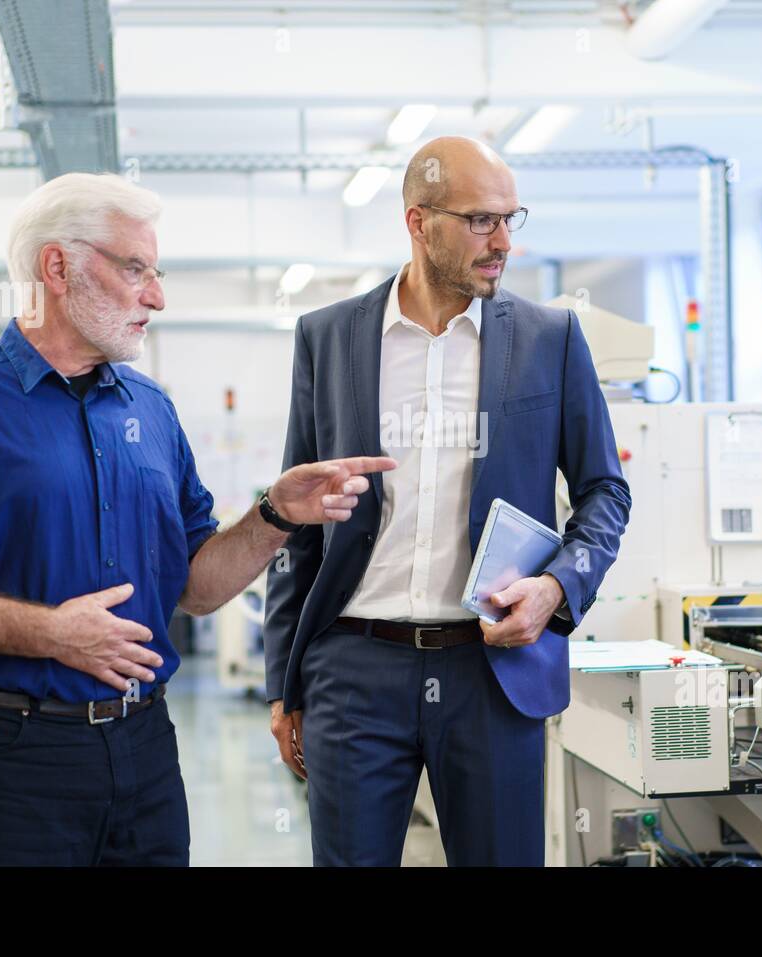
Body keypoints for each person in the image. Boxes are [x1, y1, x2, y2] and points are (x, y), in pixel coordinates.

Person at [0, 172, 394, 866]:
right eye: (135, 269)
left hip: (145, 752)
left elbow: (194, 586)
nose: (157, 296)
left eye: (154, 272)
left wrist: (276, 513)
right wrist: (50, 634)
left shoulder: (149, 408)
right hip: (6, 758)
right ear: (57, 266)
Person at [264, 137, 631, 866]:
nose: (502, 243)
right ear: (418, 220)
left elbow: (604, 492)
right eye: (480, 221)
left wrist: (557, 586)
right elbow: (298, 528)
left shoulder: (548, 339)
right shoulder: (329, 338)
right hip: (354, 668)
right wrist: (284, 681)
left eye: (510, 219)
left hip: (490, 670)